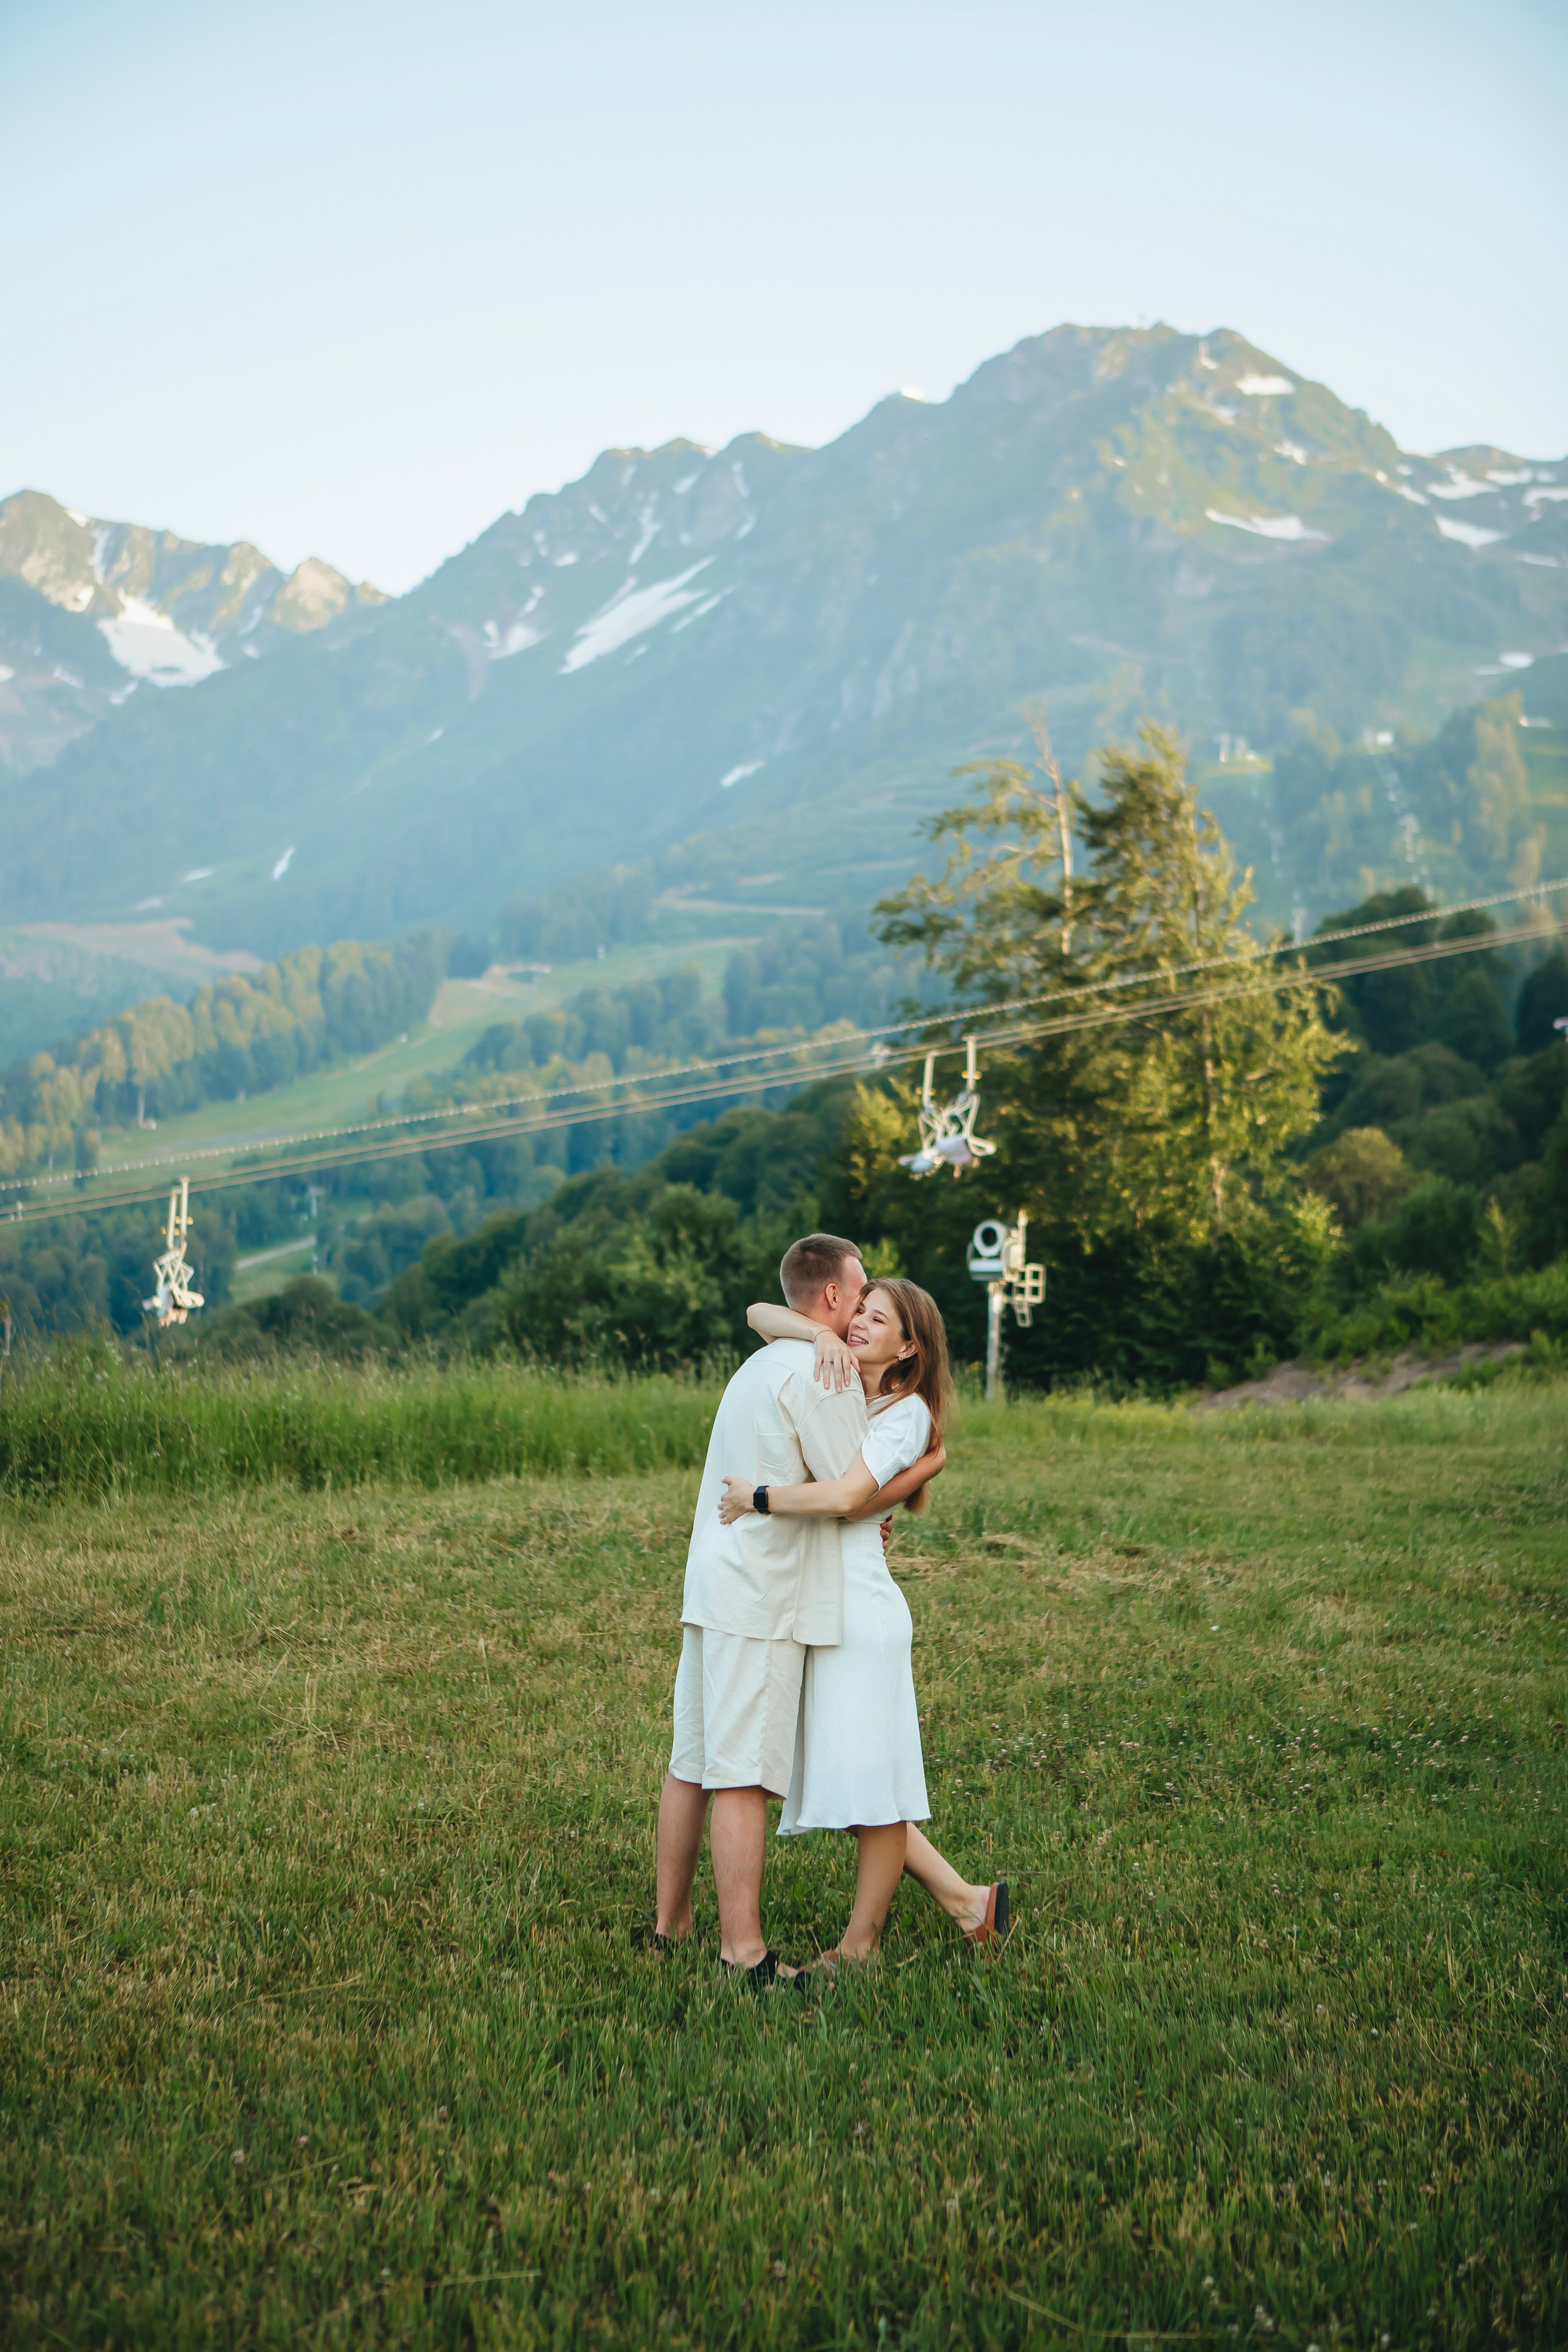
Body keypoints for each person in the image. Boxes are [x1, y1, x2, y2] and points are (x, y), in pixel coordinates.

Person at [653, 1235, 936, 1985]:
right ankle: (743, 1955)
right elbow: (849, 1494)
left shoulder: (759, 1362)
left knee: (692, 1759)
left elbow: (761, 1316)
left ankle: (669, 1925)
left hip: (712, 1580)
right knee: (740, 1775)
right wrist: (920, 1472)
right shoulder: (826, 1372)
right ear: (835, 1300)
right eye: (863, 1293)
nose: (868, 1308)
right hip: (761, 1595)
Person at [721, 1278, 1008, 1963]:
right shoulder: (851, 1383)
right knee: (852, 1781)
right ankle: (970, 1904)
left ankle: (860, 1947)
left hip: (859, 1614)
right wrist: (818, 1331)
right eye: (860, 1312)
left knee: (869, 1790)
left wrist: (758, 1497)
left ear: (909, 1346)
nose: (859, 1325)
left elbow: (850, 1500)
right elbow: (760, 1313)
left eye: (877, 1320)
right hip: (827, 1606)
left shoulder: (904, 1414)